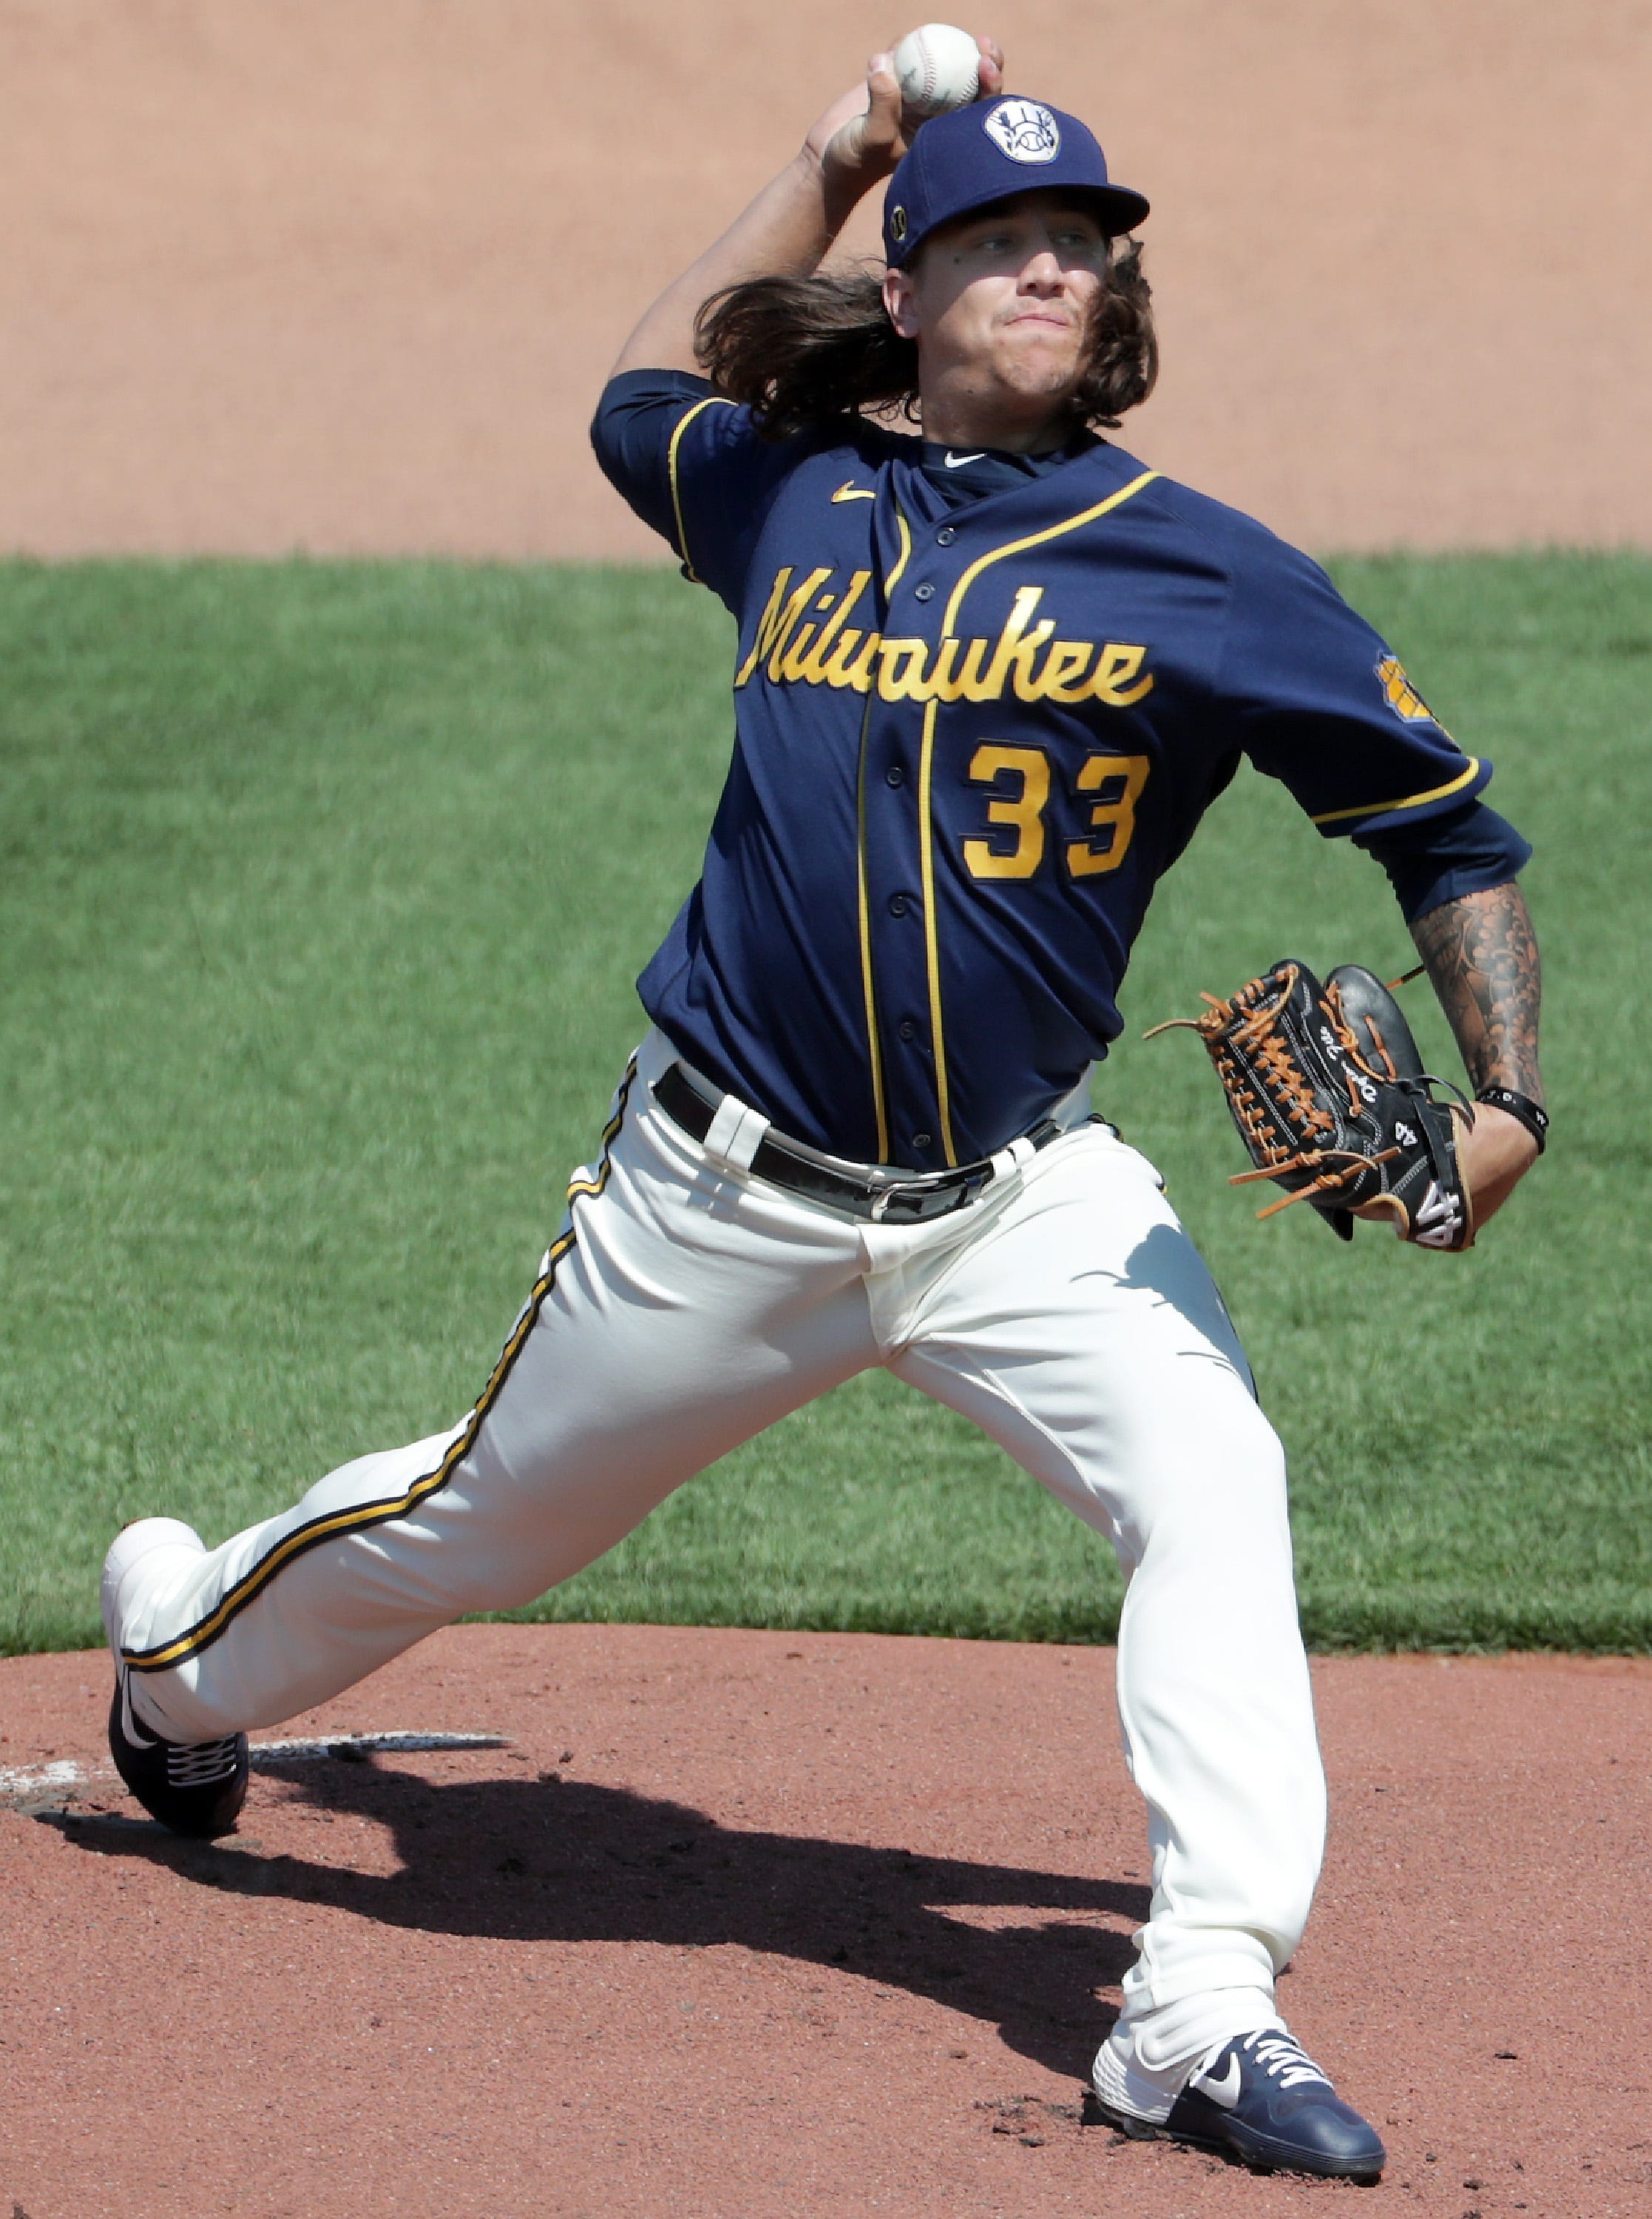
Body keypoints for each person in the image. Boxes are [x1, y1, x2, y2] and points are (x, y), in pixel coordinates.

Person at [100, 41, 1546, 2186]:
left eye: (1082, 240)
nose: (1054, 266)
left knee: (1213, 1483)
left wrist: (1509, 1101)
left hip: (1025, 1198)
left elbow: (1445, 827)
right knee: (482, 1524)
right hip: (719, 1201)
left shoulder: (1210, 570)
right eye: (1001, 238)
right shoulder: (788, 490)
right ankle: (179, 1668)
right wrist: (821, 154)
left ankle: (1198, 2000)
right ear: (909, 285)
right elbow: (624, 403)